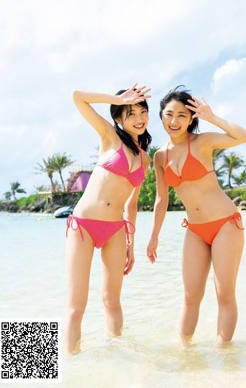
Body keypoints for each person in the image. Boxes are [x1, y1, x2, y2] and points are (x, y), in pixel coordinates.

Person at [146, 86, 246, 345]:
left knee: (224, 294)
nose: (174, 121)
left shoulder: (202, 142)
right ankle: (185, 357)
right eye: (169, 114)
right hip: (195, 230)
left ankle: (225, 356)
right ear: (161, 116)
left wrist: (211, 117)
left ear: (191, 119)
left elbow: (243, 136)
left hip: (226, 224)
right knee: (191, 296)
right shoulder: (160, 156)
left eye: (182, 115)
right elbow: (162, 199)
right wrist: (153, 237)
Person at [64, 84, 151, 355]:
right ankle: (72, 367)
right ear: (118, 118)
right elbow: (77, 96)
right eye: (130, 113)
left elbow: (132, 203)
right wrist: (117, 99)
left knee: (112, 300)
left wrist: (131, 243)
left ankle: (117, 360)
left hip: (115, 230)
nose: (139, 119)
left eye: (142, 112)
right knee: (76, 306)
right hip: (84, 226)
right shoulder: (110, 137)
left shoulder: (145, 158)